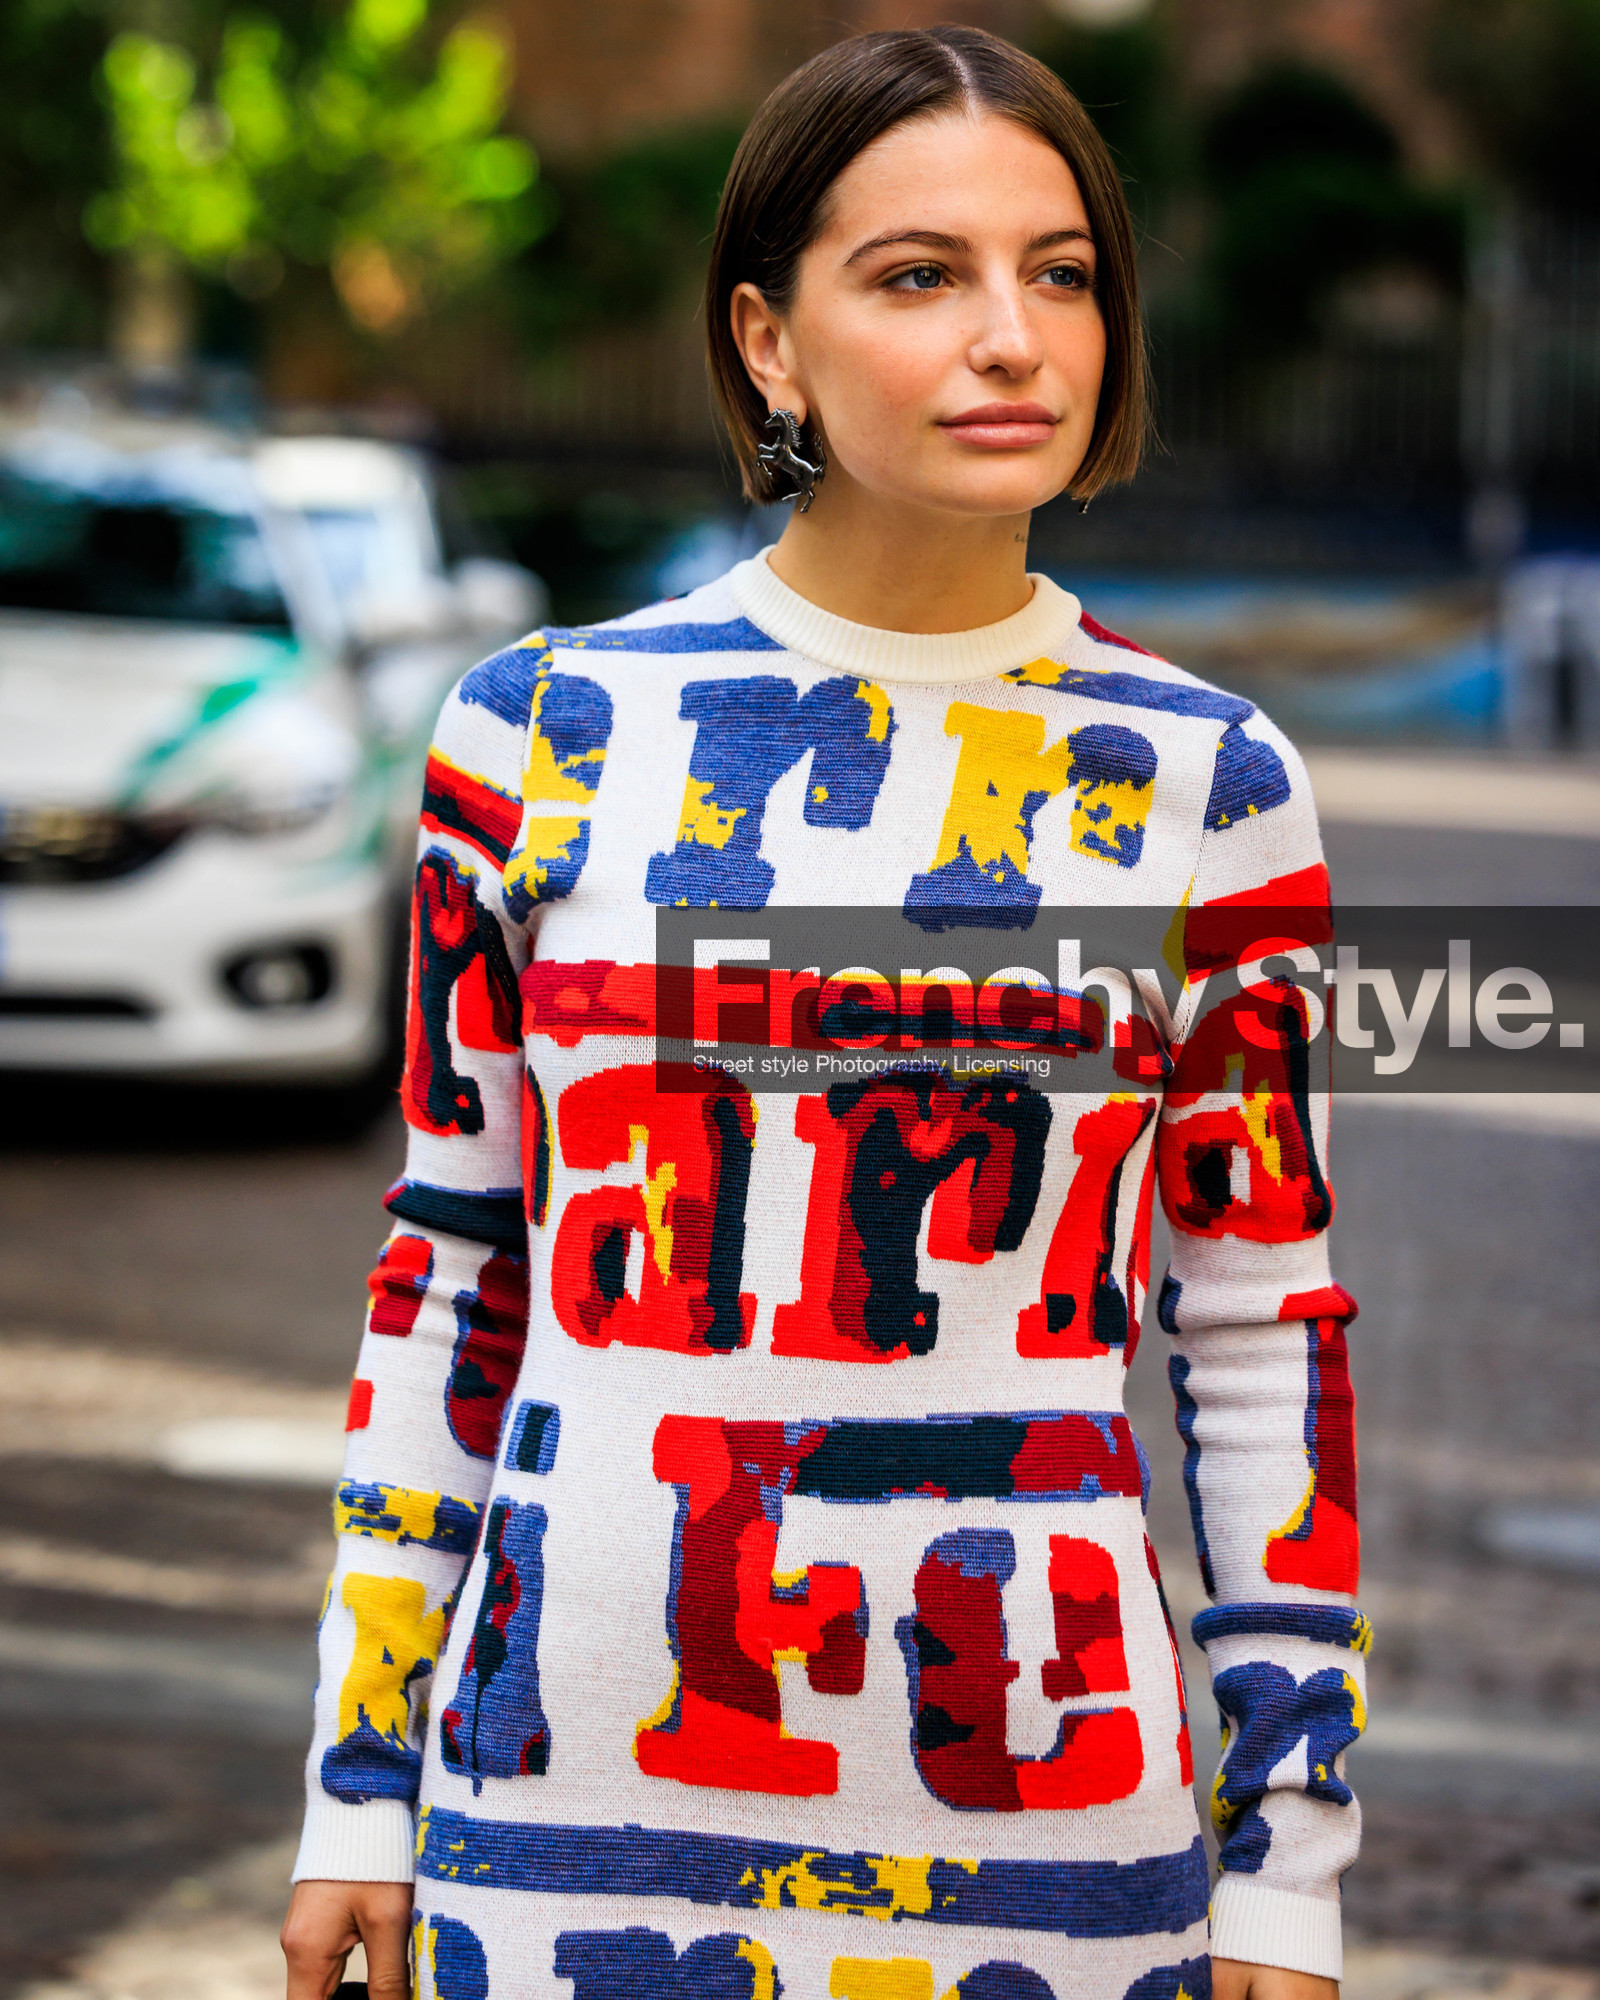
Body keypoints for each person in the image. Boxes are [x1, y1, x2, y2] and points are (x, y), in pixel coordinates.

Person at [282, 25, 1366, 2000]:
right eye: (916, 274)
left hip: (1049, 1822)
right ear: (766, 343)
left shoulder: (1213, 782)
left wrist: (1283, 1871)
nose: (1010, 339)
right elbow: (453, 1268)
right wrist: (358, 1783)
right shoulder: (536, 737)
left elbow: (1252, 1325)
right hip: (555, 1804)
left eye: (1058, 273)